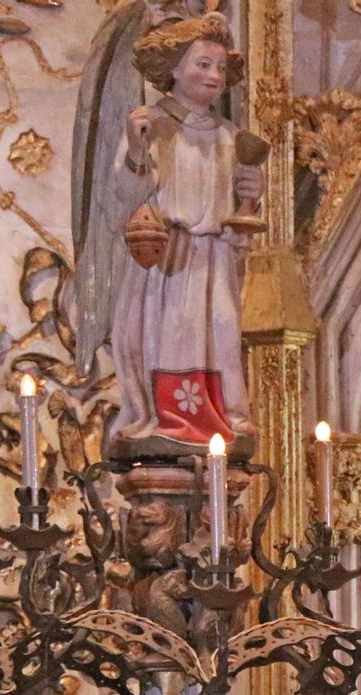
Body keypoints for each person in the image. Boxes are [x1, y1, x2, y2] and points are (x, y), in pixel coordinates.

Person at [109, 10, 261, 448]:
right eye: (202, 64)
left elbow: (240, 205)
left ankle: (225, 416)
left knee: (220, 330)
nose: (214, 76)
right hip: (167, 256)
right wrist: (137, 147)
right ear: (174, 68)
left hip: (213, 257)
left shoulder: (230, 136)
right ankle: (166, 417)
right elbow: (125, 196)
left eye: (219, 67)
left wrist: (252, 192)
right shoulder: (150, 125)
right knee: (169, 333)